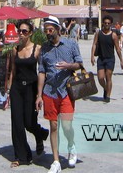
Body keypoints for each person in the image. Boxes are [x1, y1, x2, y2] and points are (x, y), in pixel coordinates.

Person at [36, 16, 83, 173]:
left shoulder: (70, 44)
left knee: (67, 125)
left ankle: (71, 145)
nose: (48, 33)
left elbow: (79, 63)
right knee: (54, 125)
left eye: (50, 30)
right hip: (50, 91)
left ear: (57, 29)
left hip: (66, 90)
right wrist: (39, 95)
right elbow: (42, 72)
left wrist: (68, 66)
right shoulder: (44, 49)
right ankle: (56, 160)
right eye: (45, 30)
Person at [5, 20, 49, 168]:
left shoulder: (37, 49)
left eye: (24, 31)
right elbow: (12, 71)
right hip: (17, 88)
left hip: (31, 87)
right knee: (17, 123)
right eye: (20, 31)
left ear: (30, 33)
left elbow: (42, 71)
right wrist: (9, 91)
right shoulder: (15, 50)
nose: (21, 34)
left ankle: (40, 134)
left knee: (29, 123)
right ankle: (22, 156)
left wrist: (40, 94)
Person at [90, 15, 123, 103]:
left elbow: (117, 48)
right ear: (103, 23)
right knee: (100, 78)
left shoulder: (113, 35)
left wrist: (121, 60)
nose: (107, 24)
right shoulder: (98, 33)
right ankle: (106, 89)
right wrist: (92, 56)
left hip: (110, 59)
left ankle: (108, 96)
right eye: (105, 23)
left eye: (108, 23)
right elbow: (94, 44)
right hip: (101, 58)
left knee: (108, 77)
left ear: (111, 24)